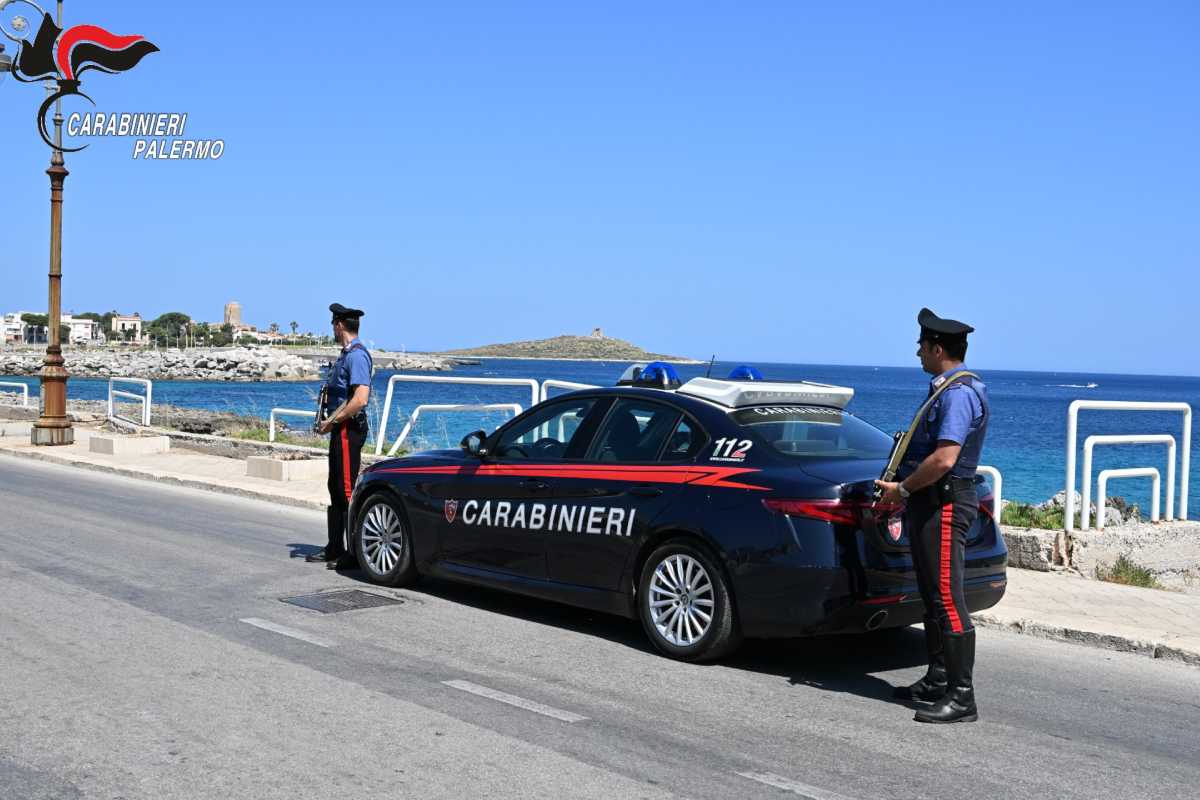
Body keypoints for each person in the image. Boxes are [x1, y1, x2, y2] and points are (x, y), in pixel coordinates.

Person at [875, 308, 989, 724]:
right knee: (931, 595)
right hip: (931, 503)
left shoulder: (958, 394)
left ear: (937, 347)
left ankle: (962, 697)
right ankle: (939, 678)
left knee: (947, 596)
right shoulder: (947, 388)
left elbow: (944, 458)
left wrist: (903, 489)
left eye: (922, 345)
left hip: (943, 503)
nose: (918, 351)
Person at [306, 303, 373, 569]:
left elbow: (359, 399)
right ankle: (335, 546)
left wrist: (330, 422)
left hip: (347, 429)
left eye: (333, 325)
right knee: (335, 488)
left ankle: (353, 553)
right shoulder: (346, 355)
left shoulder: (357, 356)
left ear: (339, 325)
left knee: (346, 491)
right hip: (340, 429)